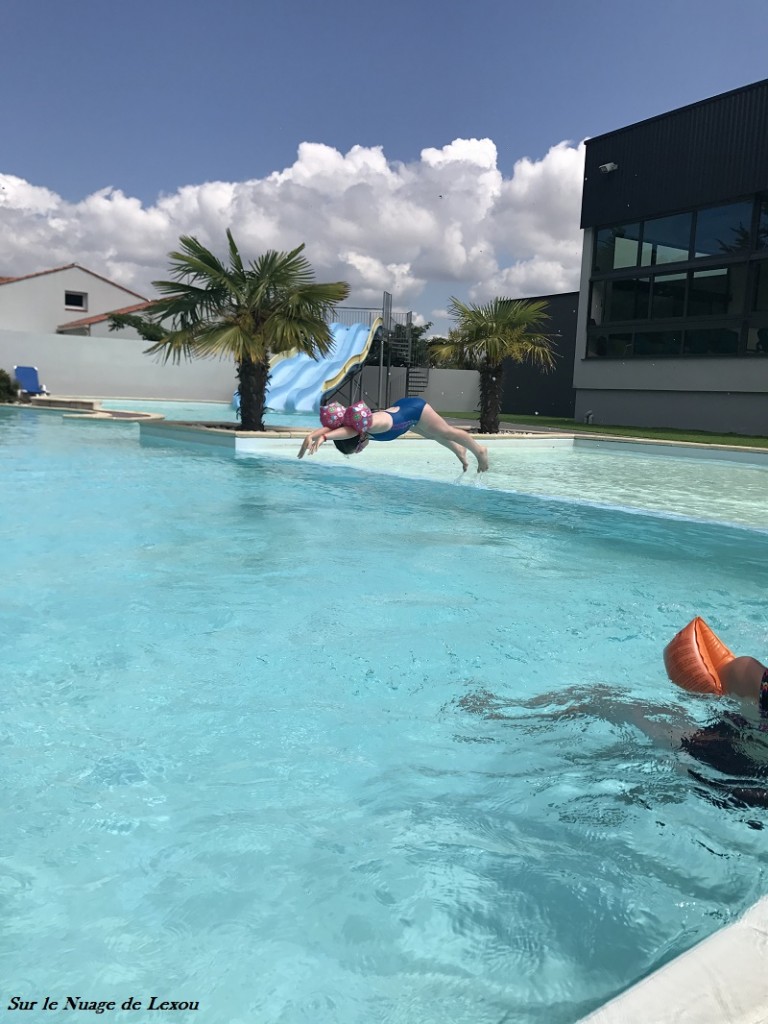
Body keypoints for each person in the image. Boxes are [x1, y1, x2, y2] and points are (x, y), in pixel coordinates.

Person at [297, 397, 489, 472]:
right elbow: (340, 424)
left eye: (357, 449)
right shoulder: (364, 432)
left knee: (446, 432)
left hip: (415, 410)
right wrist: (314, 434)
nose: (360, 451)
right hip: (407, 422)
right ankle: (459, 451)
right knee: (433, 435)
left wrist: (323, 438)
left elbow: (348, 429)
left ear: (359, 437)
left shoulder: (375, 424)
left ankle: (479, 451)